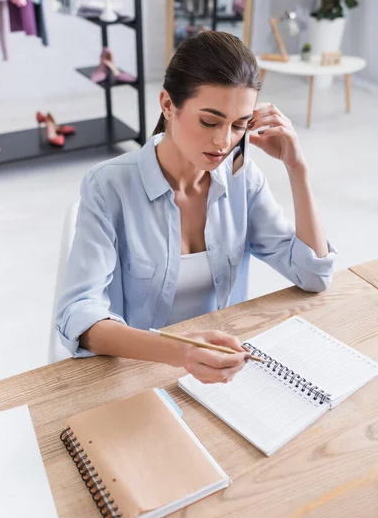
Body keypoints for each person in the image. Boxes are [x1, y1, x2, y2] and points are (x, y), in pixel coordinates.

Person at [56, 31, 337, 384]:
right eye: (209, 121)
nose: (223, 141)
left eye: (239, 125)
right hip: (136, 374)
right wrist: (181, 352)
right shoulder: (108, 186)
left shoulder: (242, 179)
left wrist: (297, 168)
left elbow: (313, 275)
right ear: (168, 105)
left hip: (220, 374)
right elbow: (78, 316)